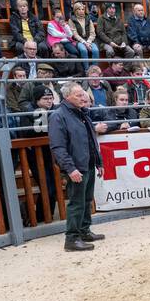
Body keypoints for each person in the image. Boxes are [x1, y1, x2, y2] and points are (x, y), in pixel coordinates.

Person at [49, 83, 108, 252]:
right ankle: (72, 239)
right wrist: (70, 168)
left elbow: (91, 140)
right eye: (79, 95)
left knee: (87, 200)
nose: (84, 98)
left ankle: (84, 231)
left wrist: (98, 162)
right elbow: (58, 147)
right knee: (76, 203)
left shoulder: (82, 114)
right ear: (67, 97)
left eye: (83, 95)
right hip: (76, 167)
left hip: (87, 164)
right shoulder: (59, 116)